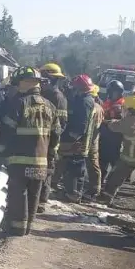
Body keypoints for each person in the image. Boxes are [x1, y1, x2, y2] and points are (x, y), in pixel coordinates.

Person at [0, 66, 61, 235]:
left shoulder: (18, 104)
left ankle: (16, 230)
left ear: (25, 83)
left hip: (19, 161)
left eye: (18, 83)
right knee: (34, 194)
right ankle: (27, 228)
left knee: (18, 194)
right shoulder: (51, 106)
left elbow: (7, 131)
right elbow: (56, 135)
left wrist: (0, 151)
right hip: (41, 161)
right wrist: (51, 155)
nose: (17, 87)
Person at [59, 74, 97, 202]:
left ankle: (74, 195)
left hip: (78, 142)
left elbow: (82, 124)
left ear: (79, 88)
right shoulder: (85, 99)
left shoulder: (85, 102)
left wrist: (71, 138)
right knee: (73, 167)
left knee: (75, 168)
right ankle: (72, 192)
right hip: (79, 141)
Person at [39, 63, 68, 208]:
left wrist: (50, 141)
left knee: (47, 170)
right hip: (39, 140)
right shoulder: (43, 94)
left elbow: (61, 125)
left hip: (50, 141)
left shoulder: (58, 98)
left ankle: (41, 202)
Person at [99, 80, 126, 184]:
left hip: (116, 138)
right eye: (111, 91)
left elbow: (121, 122)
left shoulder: (123, 104)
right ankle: (101, 181)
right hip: (105, 136)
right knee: (102, 161)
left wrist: (107, 121)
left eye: (114, 92)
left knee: (116, 163)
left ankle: (112, 183)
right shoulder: (107, 103)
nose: (112, 94)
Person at [84, 85, 106, 202]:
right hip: (91, 140)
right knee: (91, 164)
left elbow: (95, 126)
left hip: (90, 140)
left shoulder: (95, 107)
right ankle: (92, 188)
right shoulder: (97, 107)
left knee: (92, 164)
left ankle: (94, 190)